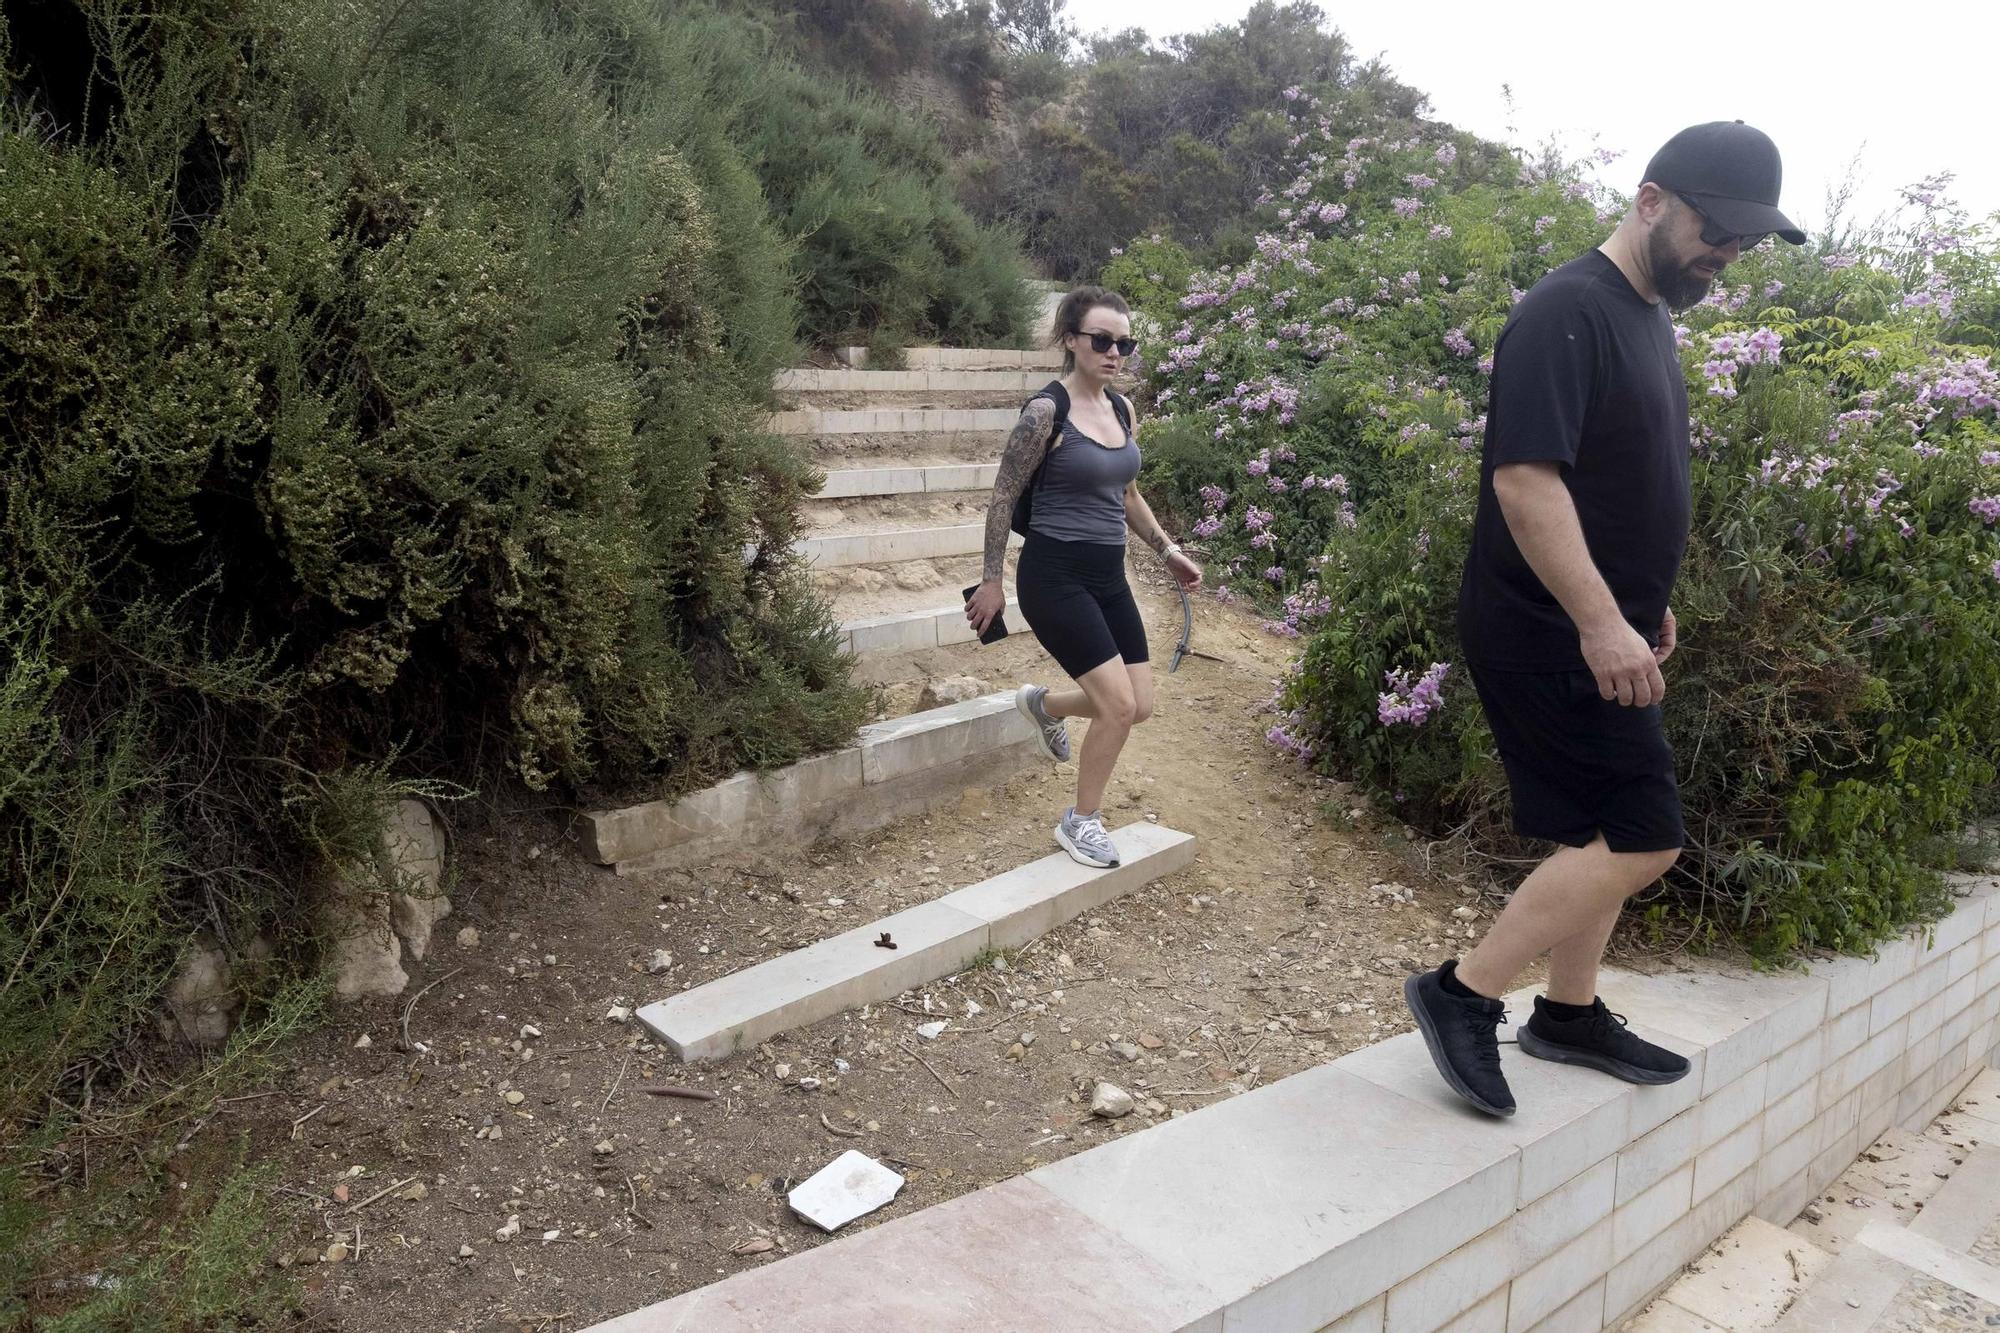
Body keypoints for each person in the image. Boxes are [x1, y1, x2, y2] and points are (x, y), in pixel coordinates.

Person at [1404, 122, 1807, 1117]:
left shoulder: (1643, 312)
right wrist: (1596, 620)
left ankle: (1567, 1012)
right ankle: (1461, 993)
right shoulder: (1563, 311)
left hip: (1597, 619)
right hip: (1539, 626)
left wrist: (1638, 601)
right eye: (1716, 231)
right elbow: (1525, 482)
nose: (1724, 255)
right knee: (1642, 831)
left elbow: (1613, 477)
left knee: (1599, 824)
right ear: (1649, 200)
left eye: (1743, 243)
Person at [966, 286, 1204, 869]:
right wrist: (991, 579)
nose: (1114, 352)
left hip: (1108, 574)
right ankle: (1081, 821)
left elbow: (1126, 491)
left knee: (1138, 704)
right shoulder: (1047, 413)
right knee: (1117, 707)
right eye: (1102, 340)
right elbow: (1003, 498)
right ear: (1071, 340)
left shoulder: (1121, 410)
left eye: (1125, 342)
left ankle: (1044, 707)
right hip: (1054, 576)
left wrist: (1166, 548)